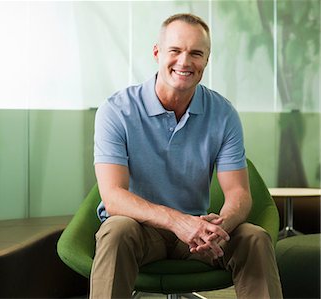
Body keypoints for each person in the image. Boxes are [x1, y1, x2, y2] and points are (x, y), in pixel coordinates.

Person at [91, 13, 282, 299]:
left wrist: (219, 227)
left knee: (254, 238)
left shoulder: (223, 113)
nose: (184, 61)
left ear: (206, 60)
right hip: (140, 230)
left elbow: (239, 194)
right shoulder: (116, 110)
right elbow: (113, 196)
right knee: (116, 230)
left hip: (198, 230)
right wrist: (176, 221)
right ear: (157, 53)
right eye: (175, 51)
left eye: (196, 53)